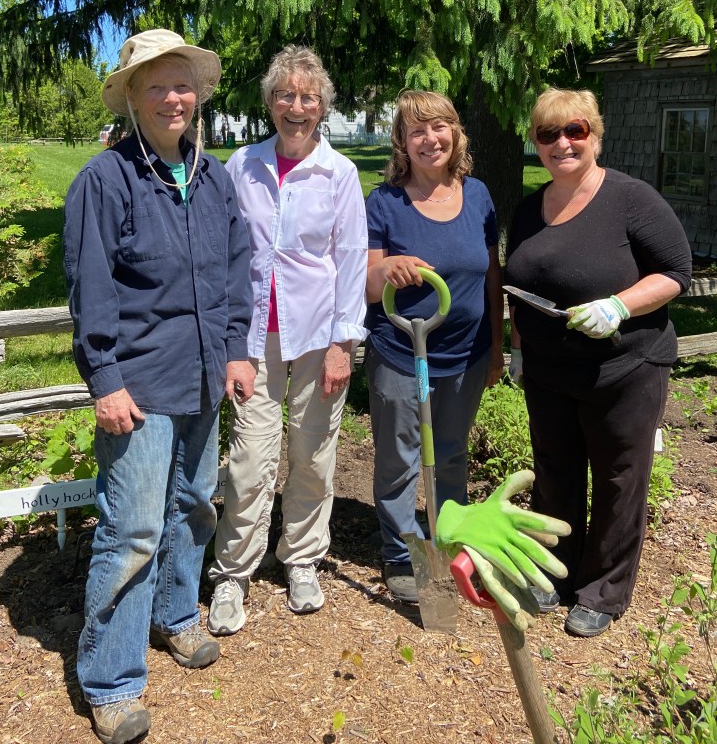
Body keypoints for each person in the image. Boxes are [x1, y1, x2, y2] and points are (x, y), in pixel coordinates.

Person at [64, 29, 255, 744]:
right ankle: (111, 682)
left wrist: (236, 351)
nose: (174, 98)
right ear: (133, 99)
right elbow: (91, 286)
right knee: (134, 528)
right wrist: (105, 379)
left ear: (197, 96)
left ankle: (175, 617)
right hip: (139, 384)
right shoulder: (105, 180)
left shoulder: (213, 177)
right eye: (157, 86)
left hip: (203, 375)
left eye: (183, 85)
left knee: (195, 505)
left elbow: (235, 269)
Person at [505, 87, 692, 638]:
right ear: (536, 143)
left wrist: (619, 306)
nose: (562, 143)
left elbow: (676, 272)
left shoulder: (631, 199)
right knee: (555, 473)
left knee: (618, 479)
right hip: (549, 373)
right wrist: (518, 348)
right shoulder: (528, 209)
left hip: (625, 369)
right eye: (548, 134)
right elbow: (519, 285)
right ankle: (556, 572)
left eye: (575, 131)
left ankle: (603, 590)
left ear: (595, 136)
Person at [207, 45, 368, 635]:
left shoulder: (339, 173)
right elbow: (226, 250)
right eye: (284, 95)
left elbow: (351, 259)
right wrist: (229, 342)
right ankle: (233, 571)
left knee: (313, 452)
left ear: (322, 106)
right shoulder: (241, 164)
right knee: (250, 459)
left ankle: (301, 557)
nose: (296, 107)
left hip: (318, 334)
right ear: (269, 102)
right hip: (254, 336)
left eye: (307, 97)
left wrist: (343, 344)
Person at [364, 90, 505, 604]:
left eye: (439, 126)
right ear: (402, 141)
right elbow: (367, 285)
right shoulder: (384, 202)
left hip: (466, 354)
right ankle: (403, 554)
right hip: (404, 353)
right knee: (401, 459)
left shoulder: (479, 195)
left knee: (449, 454)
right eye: (416, 130)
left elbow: (491, 276)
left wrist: (496, 345)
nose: (430, 139)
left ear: (455, 133)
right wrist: (387, 268)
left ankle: (448, 545)